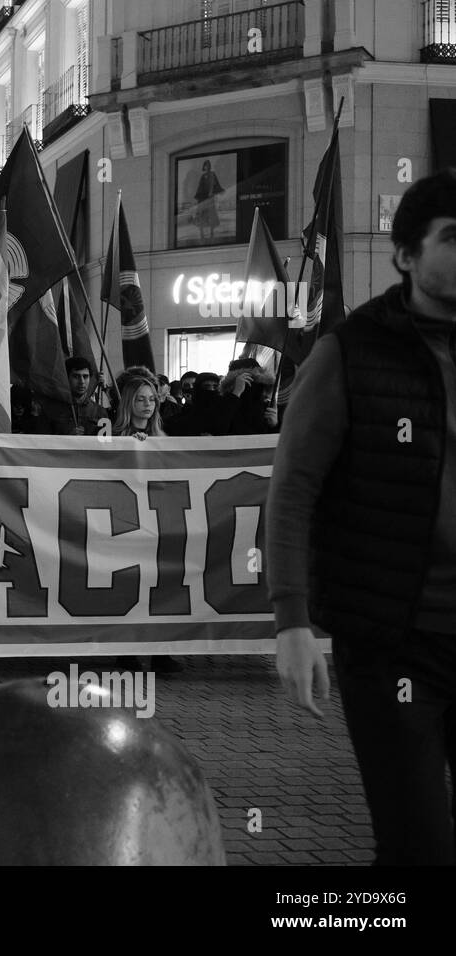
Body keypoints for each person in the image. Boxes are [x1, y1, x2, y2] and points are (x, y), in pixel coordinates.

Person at [269, 170, 456, 865]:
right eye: (452, 237)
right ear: (405, 255)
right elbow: (293, 489)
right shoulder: (349, 352)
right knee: (419, 846)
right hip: (392, 643)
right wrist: (292, 621)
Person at [41, 356, 109, 435]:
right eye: (76, 376)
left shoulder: (100, 412)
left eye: (85, 376)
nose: (82, 382)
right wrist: (67, 439)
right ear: (66, 378)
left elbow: (106, 444)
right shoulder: (51, 410)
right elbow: (41, 443)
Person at [112, 375, 165, 440]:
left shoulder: (161, 437)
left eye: (151, 399)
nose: (148, 404)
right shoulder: (115, 437)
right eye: (140, 399)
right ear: (128, 402)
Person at [193, 159, 225, 242]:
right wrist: (199, 197)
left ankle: (211, 233)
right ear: (204, 167)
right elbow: (200, 187)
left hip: (210, 199)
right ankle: (202, 235)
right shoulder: (203, 176)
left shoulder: (213, 174)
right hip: (202, 199)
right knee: (201, 217)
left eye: (208, 165)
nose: (207, 167)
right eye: (206, 165)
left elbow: (217, 184)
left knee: (211, 215)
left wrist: (219, 190)